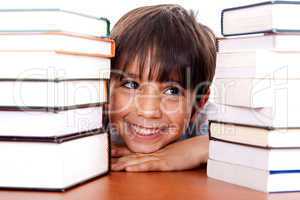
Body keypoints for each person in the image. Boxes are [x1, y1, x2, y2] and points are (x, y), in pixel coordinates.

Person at [107, 4, 216, 172]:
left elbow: (261, 142)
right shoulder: (95, 117)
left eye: (172, 91)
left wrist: (197, 148)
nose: (148, 111)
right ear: (105, 87)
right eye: (131, 84)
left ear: (199, 103)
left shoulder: (207, 121)